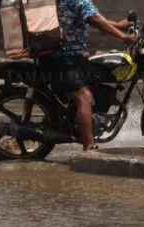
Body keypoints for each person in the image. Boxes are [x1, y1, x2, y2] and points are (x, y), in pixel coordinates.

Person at [37, 0, 138, 151]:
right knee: (84, 97)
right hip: (65, 59)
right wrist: (125, 37)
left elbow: (90, 19)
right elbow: (96, 20)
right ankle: (89, 146)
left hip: (65, 57)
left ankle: (80, 121)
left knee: (98, 67)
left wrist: (118, 25)